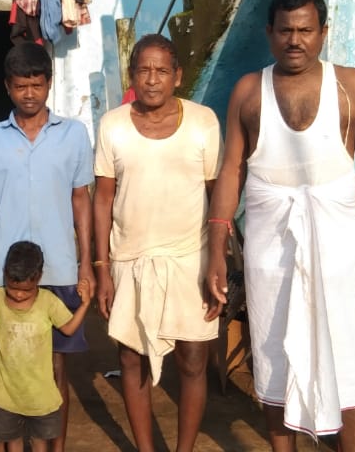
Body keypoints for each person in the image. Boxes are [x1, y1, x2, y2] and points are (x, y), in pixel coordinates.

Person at [204, 0, 355, 452]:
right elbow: (231, 170)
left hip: (338, 249)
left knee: (345, 358)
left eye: (306, 30)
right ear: (269, 33)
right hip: (269, 252)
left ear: (323, 32)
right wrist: (216, 249)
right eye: (286, 30)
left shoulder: (351, 87)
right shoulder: (249, 91)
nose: (296, 40)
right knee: (273, 356)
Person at [93, 34, 222, 452]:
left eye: (162, 71)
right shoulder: (112, 125)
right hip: (129, 258)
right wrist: (102, 268)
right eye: (144, 71)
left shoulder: (203, 122)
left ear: (177, 76)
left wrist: (219, 260)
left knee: (193, 358)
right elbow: (103, 198)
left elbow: (218, 194)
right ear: (132, 76)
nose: (152, 80)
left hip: (191, 257)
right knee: (131, 358)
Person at [0, 41, 93, 452]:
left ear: (49, 84)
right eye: (21, 86)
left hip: (59, 269)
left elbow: (81, 199)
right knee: (8, 367)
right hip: (8, 276)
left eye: (37, 85)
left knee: (55, 371)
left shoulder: (74, 135)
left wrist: (87, 263)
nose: (29, 94)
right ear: (7, 86)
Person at [0, 241, 92, 452]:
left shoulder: (48, 302)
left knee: (40, 441)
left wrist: (85, 304)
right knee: (12, 439)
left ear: (39, 278)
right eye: (13, 288)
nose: (18, 294)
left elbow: (68, 329)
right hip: (5, 393)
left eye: (26, 290)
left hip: (40, 393)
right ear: (5, 275)